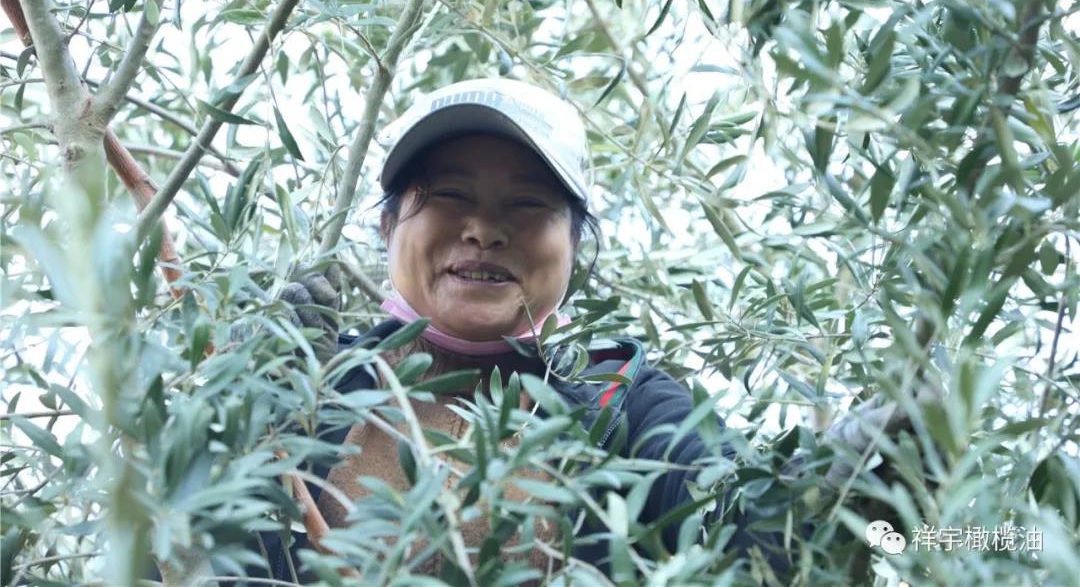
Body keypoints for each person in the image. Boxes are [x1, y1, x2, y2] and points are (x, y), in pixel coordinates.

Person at [247, 78, 846, 582]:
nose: (483, 230)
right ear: (387, 228)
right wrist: (244, 406)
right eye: (450, 194)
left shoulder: (625, 404)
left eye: (528, 203)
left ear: (574, 246)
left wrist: (850, 486)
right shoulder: (312, 381)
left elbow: (738, 505)